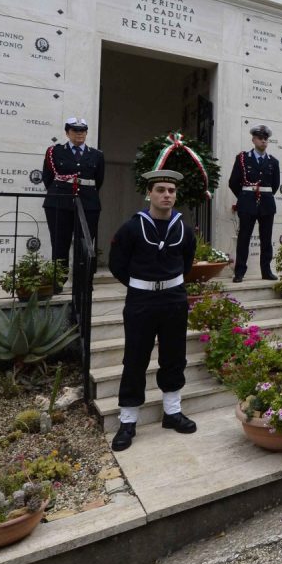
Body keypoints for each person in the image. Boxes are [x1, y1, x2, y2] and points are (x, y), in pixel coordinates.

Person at [107, 169, 198, 451]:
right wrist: (142, 285)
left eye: (171, 191)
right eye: (161, 190)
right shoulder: (132, 228)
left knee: (174, 356)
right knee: (135, 357)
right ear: (149, 193)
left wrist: (168, 285)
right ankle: (128, 420)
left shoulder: (184, 228)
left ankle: (172, 412)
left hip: (173, 299)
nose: (167, 195)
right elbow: (117, 264)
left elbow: (187, 262)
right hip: (141, 301)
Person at [42, 117, 104, 288]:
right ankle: (58, 281)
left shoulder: (97, 155)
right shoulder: (54, 151)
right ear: (67, 132)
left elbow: (98, 181)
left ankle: (83, 282)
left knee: (84, 243)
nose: (79, 134)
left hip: (88, 202)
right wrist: (61, 192)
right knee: (60, 242)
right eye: (75, 130)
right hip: (59, 201)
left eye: (83, 130)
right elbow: (47, 178)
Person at [228, 124, 281, 283]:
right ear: (253, 139)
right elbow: (233, 182)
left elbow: (275, 185)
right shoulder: (243, 158)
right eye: (260, 138)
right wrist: (245, 196)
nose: (263, 141)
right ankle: (239, 272)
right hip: (247, 204)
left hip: (266, 204)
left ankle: (266, 271)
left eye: (266, 139)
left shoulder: (273, 162)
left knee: (266, 239)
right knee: (244, 238)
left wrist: (262, 195)